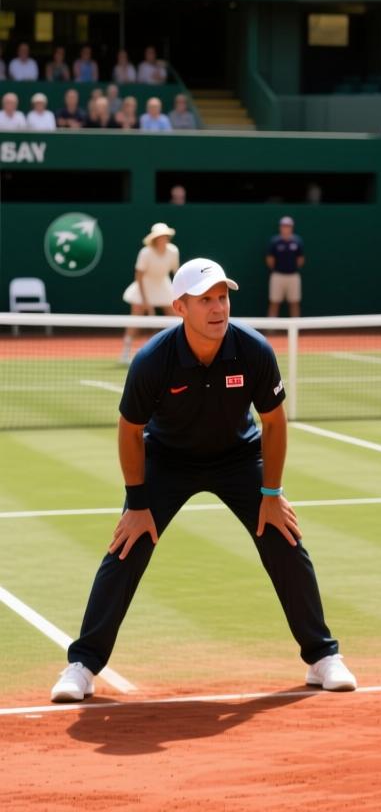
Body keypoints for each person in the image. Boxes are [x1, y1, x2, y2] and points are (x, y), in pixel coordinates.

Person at [49, 257, 356, 704]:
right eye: (205, 300)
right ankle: (83, 664)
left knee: (284, 538)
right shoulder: (153, 359)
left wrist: (272, 494)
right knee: (127, 546)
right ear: (180, 307)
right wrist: (137, 503)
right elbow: (130, 430)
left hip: (237, 458)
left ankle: (322, 657)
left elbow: (274, 423)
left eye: (223, 297)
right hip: (168, 461)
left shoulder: (253, 351)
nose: (218, 308)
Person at [119, 223, 181, 364]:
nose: (163, 239)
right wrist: (145, 301)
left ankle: (179, 350)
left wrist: (179, 293)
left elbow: (176, 273)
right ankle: (125, 353)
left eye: (165, 236)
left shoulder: (173, 251)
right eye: (160, 236)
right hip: (144, 287)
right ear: (155, 239)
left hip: (163, 285)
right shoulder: (145, 253)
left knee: (176, 319)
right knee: (135, 319)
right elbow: (139, 276)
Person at [267, 216, 305, 318]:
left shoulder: (297, 241)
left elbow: (300, 260)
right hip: (277, 276)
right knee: (274, 302)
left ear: (291, 227)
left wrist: (291, 269)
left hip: (293, 276)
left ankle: (296, 329)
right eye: (284, 226)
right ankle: (271, 329)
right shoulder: (275, 242)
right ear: (280, 227)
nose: (286, 228)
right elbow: (270, 260)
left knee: (294, 303)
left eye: (288, 226)